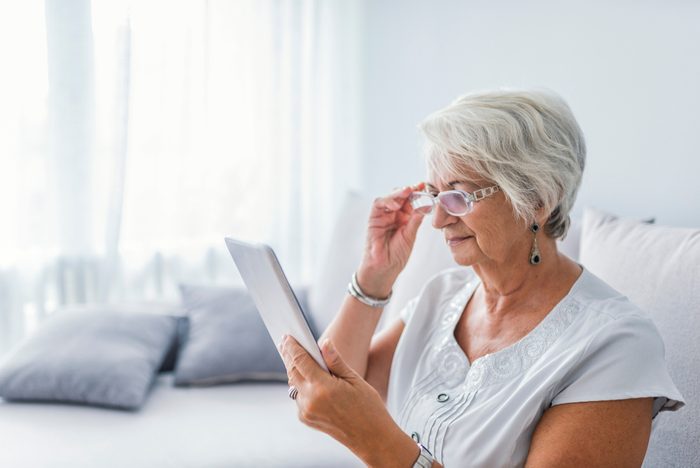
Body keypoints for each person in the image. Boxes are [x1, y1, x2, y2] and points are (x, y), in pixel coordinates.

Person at [278, 89, 684, 467]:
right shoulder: (442, 295)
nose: (437, 220)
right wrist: (373, 275)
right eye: (434, 195)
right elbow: (332, 390)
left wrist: (377, 442)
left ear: (538, 200)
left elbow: (357, 419)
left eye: (458, 196)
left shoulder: (615, 345)